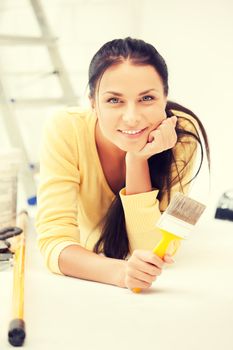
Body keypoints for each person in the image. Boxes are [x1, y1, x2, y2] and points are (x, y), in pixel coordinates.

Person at [35, 37, 210, 292]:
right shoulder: (65, 128)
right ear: (93, 102)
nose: (131, 118)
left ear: (165, 98)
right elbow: (54, 243)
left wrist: (137, 159)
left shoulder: (180, 134)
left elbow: (153, 250)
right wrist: (119, 273)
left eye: (147, 98)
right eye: (114, 100)